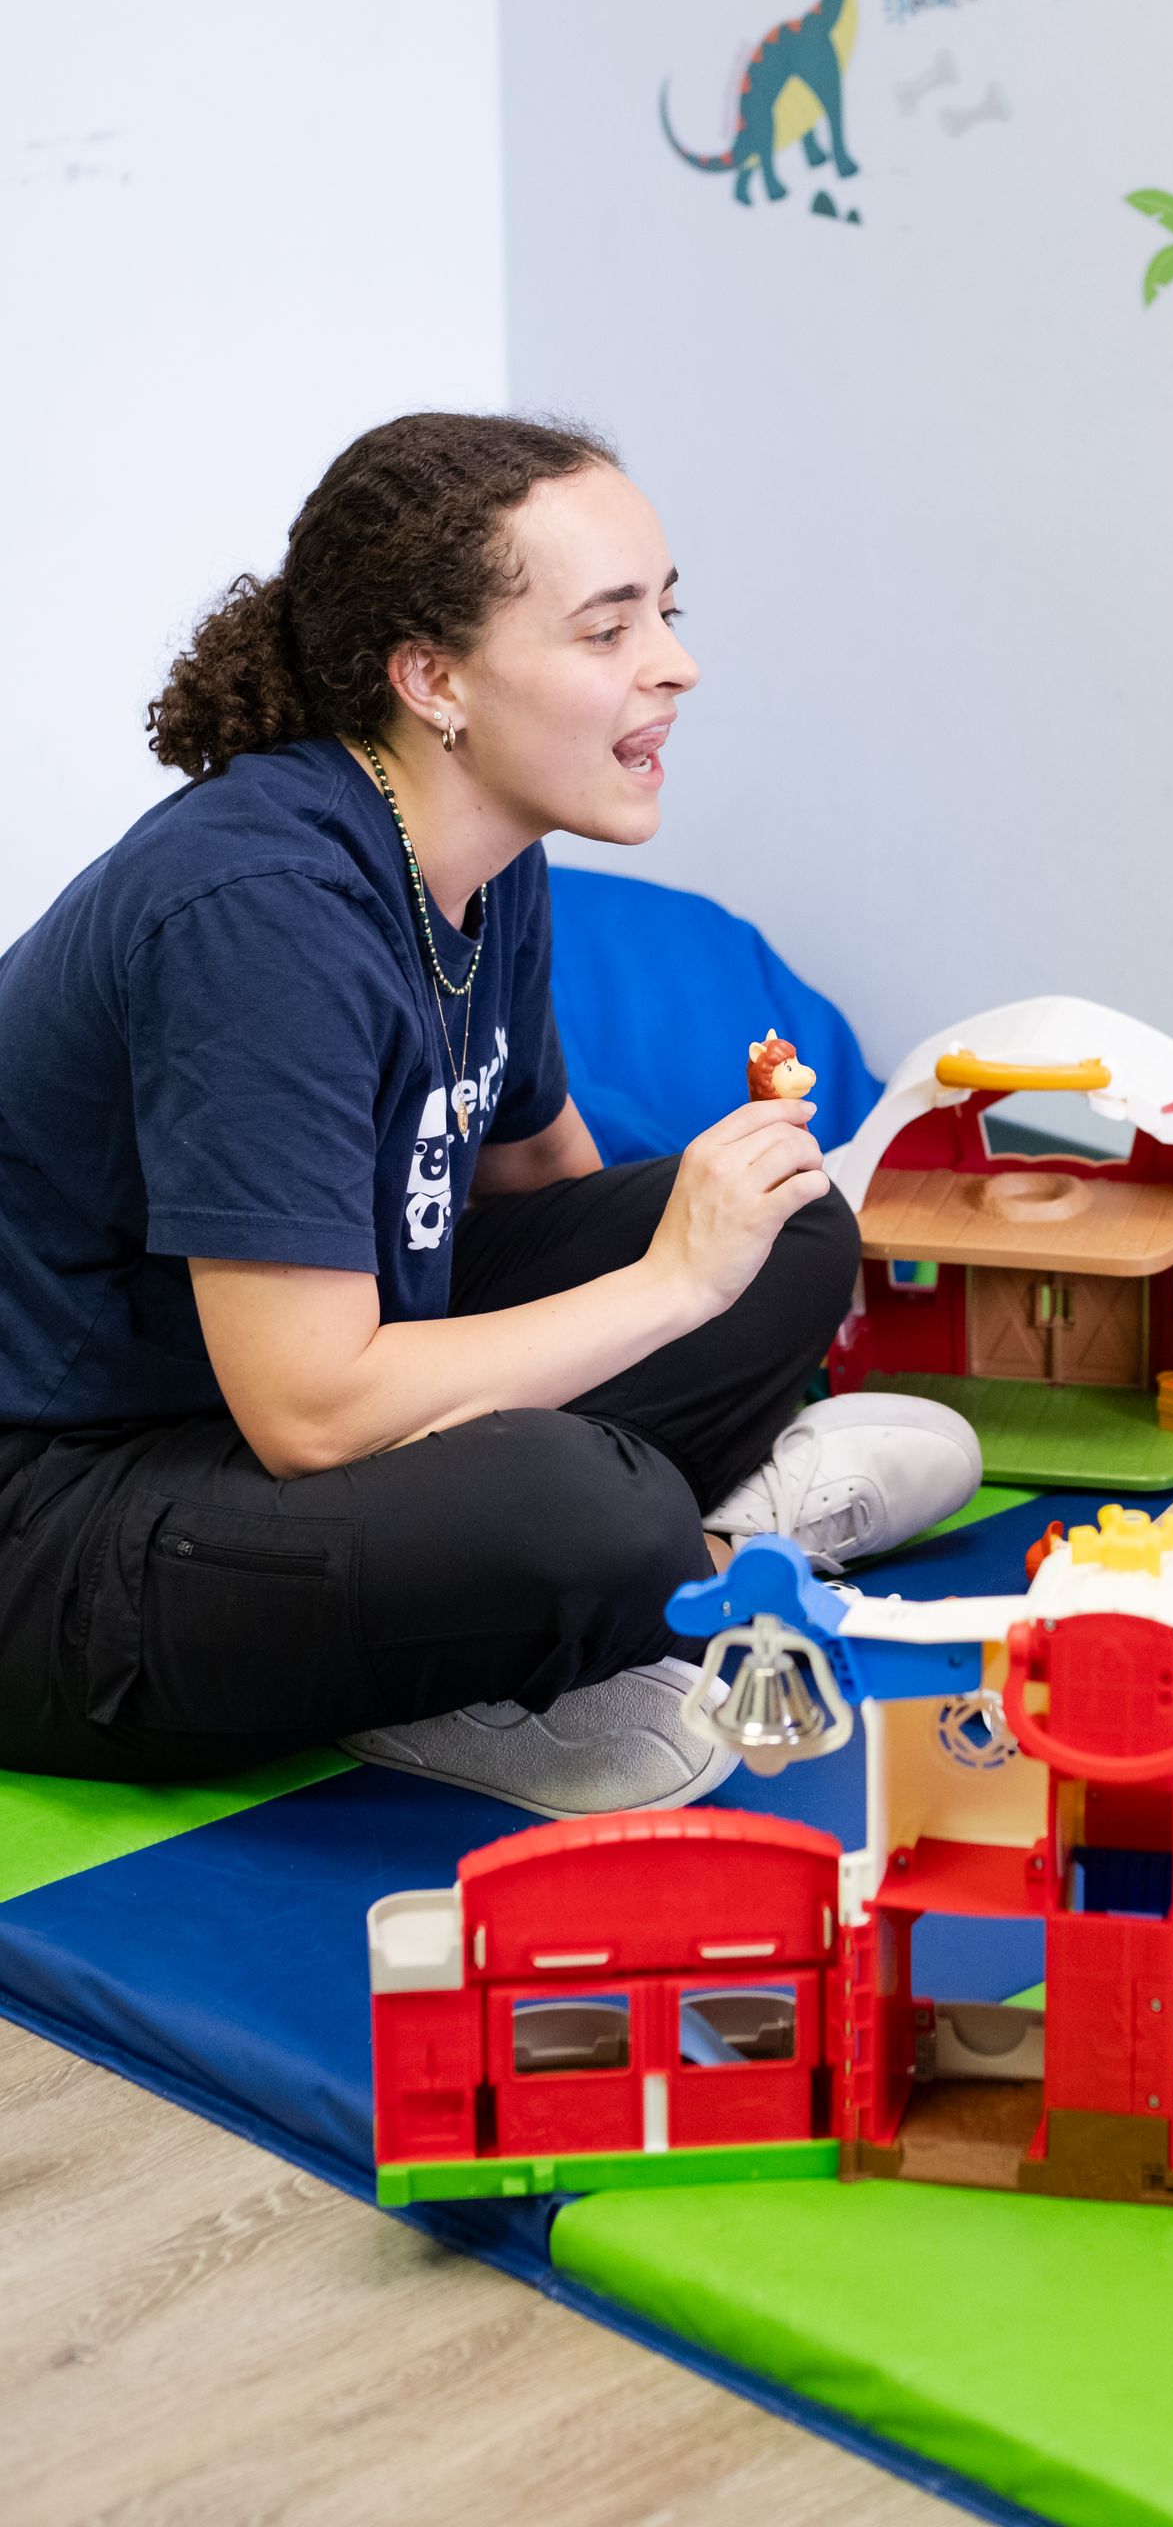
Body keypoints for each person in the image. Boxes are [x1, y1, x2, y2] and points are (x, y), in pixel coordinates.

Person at [0, 411, 977, 1814]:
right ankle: (582, 1588)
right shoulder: (261, 914)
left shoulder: (481, 847)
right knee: (582, 1505)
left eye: (667, 612)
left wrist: (711, 1254)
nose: (676, 664)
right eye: (606, 631)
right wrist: (669, 1283)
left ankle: (668, 1549)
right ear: (433, 678)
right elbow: (313, 1415)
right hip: (64, 1513)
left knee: (793, 1222)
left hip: (284, 1403)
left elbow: (532, 1174)